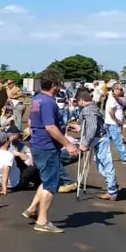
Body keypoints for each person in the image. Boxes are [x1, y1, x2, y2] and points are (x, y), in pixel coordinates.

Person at [22, 77, 79, 233]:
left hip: (39, 145)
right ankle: (42, 221)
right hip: (47, 147)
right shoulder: (48, 102)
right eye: (60, 83)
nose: (61, 86)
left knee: (47, 178)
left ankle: (32, 209)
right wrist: (68, 144)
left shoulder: (37, 99)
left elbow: (33, 123)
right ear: (54, 85)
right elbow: (50, 127)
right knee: (50, 185)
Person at [73, 89, 119, 201]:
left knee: (104, 164)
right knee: (102, 164)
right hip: (100, 138)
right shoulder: (94, 107)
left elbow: (92, 127)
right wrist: (80, 126)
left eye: (78, 101)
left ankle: (112, 190)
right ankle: (112, 186)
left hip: (99, 139)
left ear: (82, 101)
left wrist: (85, 143)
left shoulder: (88, 110)